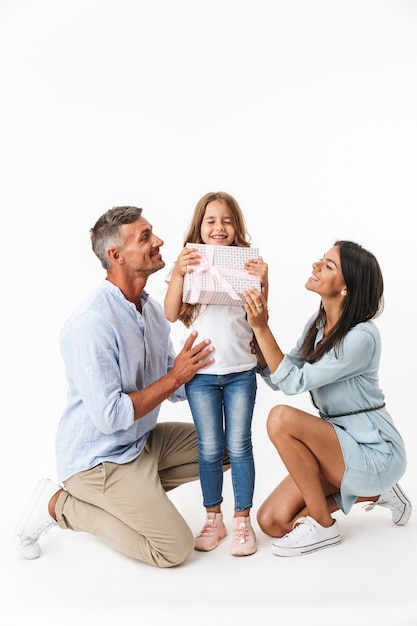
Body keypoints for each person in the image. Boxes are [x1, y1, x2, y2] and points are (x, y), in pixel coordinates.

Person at [14, 205, 231, 568]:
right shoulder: (92, 322)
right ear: (116, 256)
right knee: (173, 549)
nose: (159, 241)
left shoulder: (150, 311)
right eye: (145, 237)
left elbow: (175, 382)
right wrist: (175, 377)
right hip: (98, 460)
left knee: (224, 448)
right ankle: (58, 505)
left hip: (140, 443)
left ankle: (134, 498)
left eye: (153, 233)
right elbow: (113, 416)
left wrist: (230, 364)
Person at [243, 240, 411, 557]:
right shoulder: (319, 324)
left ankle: (324, 526)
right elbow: (285, 370)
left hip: (375, 452)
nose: (316, 266)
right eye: (321, 260)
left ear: (347, 288)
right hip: (337, 447)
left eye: (328, 265)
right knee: (273, 522)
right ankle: (374, 494)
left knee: (280, 418)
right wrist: (257, 335)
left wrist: (263, 327)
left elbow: (294, 382)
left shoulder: (363, 336)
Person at [164, 191, 268, 556]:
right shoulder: (189, 263)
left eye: (226, 221)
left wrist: (264, 282)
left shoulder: (250, 265)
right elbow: (171, 313)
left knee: (239, 446)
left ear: (237, 227)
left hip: (241, 371)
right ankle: (214, 518)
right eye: (211, 221)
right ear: (199, 226)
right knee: (209, 449)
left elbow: (261, 320)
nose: (219, 227)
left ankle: (243, 520)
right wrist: (178, 271)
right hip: (201, 376)